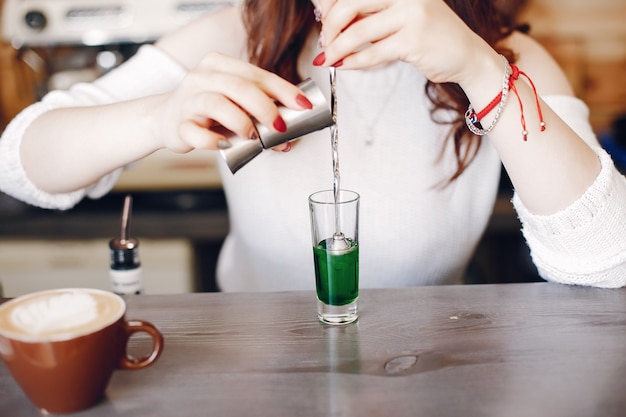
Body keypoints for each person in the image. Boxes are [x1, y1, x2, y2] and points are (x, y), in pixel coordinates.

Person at [1, 0, 625, 290]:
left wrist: (480, 69)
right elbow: (18, 166)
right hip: (252, 364)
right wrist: (158, 119)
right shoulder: (238, 33)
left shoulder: (507, 58)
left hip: (433, 362)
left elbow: (610, 262)